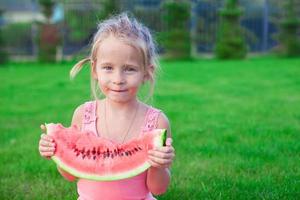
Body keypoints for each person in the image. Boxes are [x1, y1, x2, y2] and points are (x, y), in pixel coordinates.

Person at [38, 13, 175, 200]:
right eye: (108, 68)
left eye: (129, 69)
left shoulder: (157, 122)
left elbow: (158, 189)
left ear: (146, 73)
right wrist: (58, 152)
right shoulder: (82, 114)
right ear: (95, 70)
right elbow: (71, 174)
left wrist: (159, 166)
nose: (118, 80)